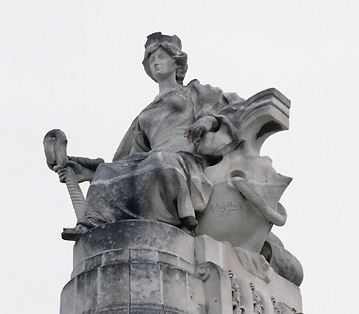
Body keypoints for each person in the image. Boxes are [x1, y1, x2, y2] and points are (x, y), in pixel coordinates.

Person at [59, 32, 243, 240]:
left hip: (184, 159)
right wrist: (90, 172)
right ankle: (90, 223)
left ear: (176, 63)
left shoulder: (193, 91)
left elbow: (233, 108)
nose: (156, 63)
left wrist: (208, 120)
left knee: (160, 161)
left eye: (162, 57)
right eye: (151, 59)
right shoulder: (146, 112)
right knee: (108, 169)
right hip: (154, 159)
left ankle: (182, 220)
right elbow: (129, 160)